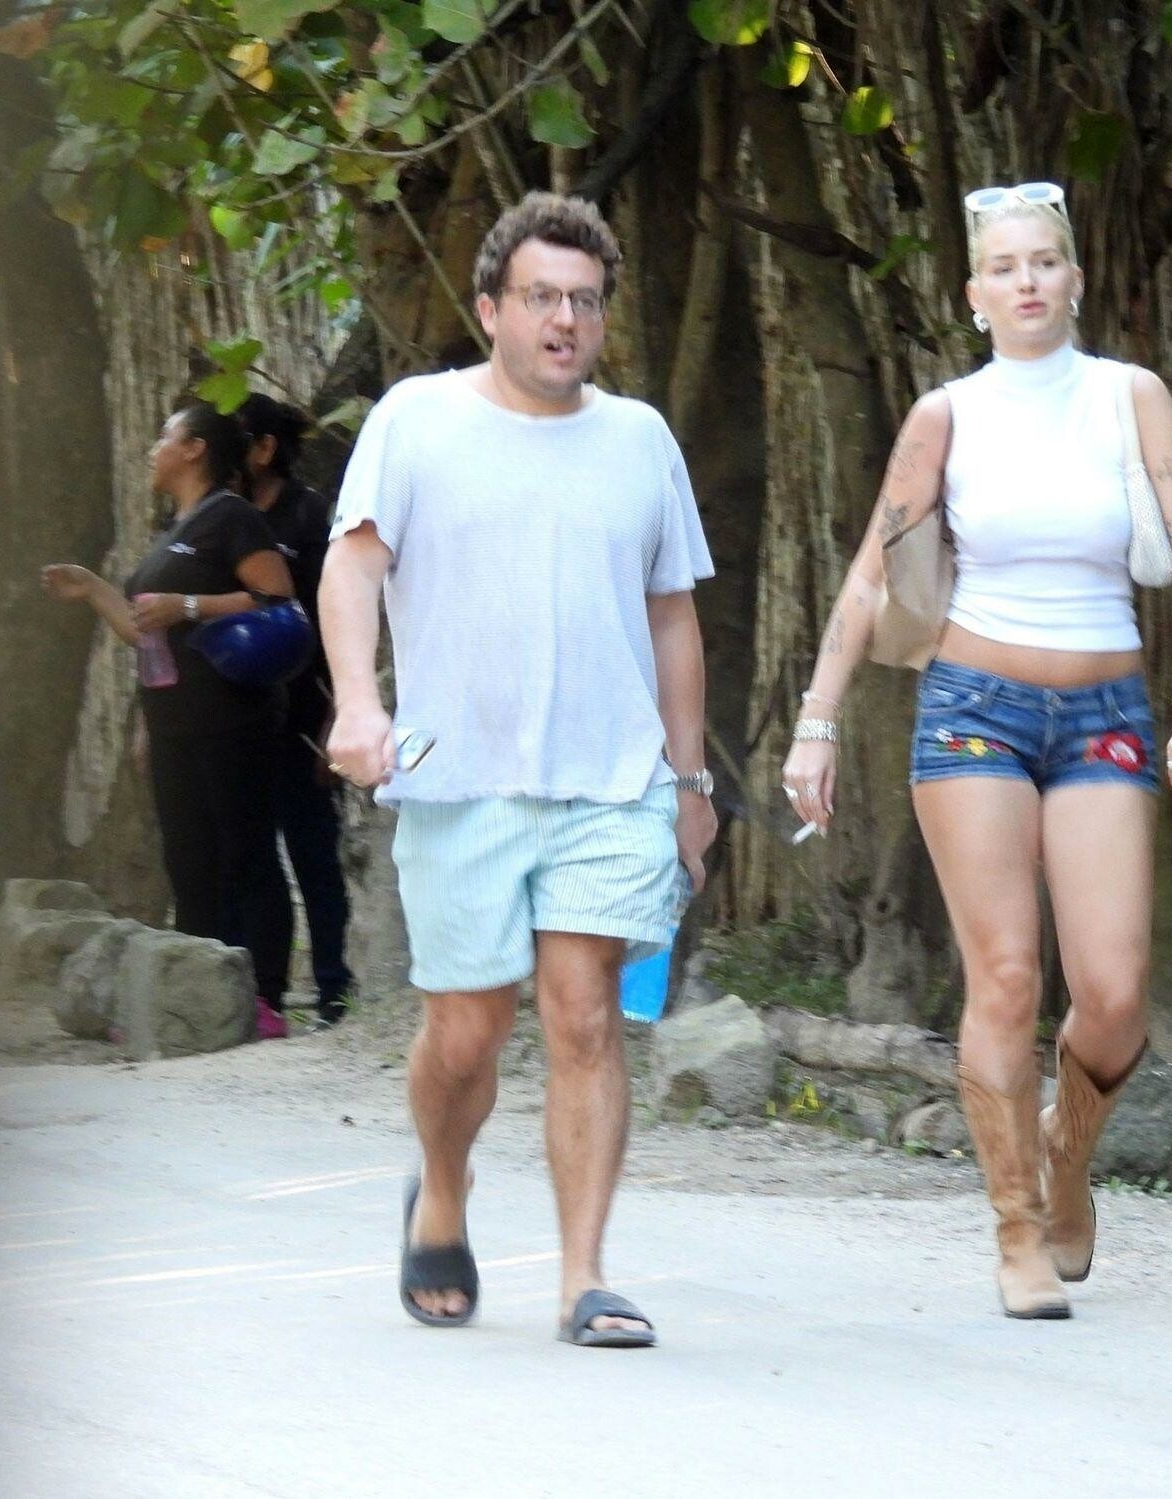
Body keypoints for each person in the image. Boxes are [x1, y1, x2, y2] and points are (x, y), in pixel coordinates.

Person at [781, 182, 1172, 1319]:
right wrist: (818, 717)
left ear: (1075, 278)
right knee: (1009, 974)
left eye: (1044, 262)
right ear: (974, 294)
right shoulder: (946, 416)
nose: (1026, 281)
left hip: (1105, 710)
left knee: (1114, 991)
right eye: (1004, 266)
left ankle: (1066, 1152)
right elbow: (873, 574)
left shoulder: (1130, 397)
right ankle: (1017, 1225)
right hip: (974, 706)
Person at [320, 191, 716, 1343]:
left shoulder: (639, 439)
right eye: (541, 297)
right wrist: (358, 701)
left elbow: (673, 616)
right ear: (492, 308)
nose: (564, 320)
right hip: (463, 780)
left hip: (611, 781)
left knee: (584, 1014)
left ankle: (583, 1276)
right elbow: (353, 567)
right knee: (467, 1032)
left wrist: (690, 784)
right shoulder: (417, 420)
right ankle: (442, 1186)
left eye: (584, 301)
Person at [42, 403, 299, 1039]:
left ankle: (265, 1000)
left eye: (165, 436)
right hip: (173, 723)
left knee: (246, 855)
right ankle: (193, 998)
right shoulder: (172, 530)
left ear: (195, 449)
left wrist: (188, 604)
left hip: (231, 716)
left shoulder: (231, 516)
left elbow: (276, 601)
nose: (153, 448)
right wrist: (95, 589)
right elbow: (142, 630)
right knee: (189, 864)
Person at [239, 393, 353, 1027]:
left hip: (306, 708)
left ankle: (334, 985)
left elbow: (338, 611)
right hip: (241, 711)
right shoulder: (220, 515)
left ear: (264, 448)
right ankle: (264, 990)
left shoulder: (309, 514)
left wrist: (340, 712)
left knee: (313, 851)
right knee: (253, 855)